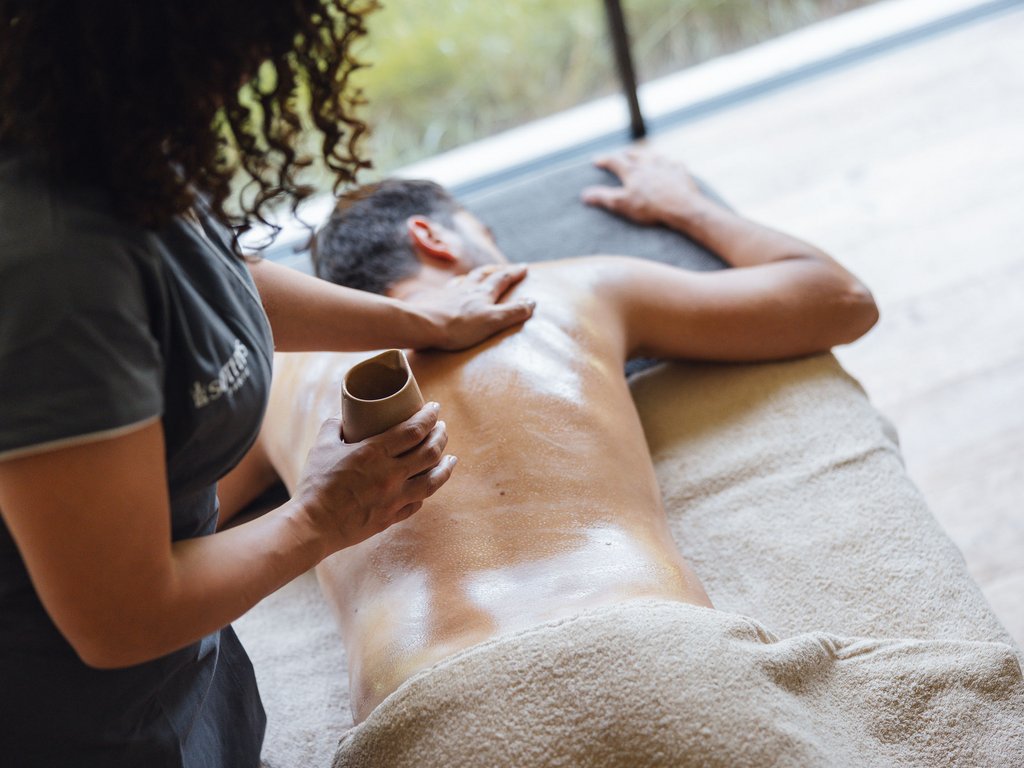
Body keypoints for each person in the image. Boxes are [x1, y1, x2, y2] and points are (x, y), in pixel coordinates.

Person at [0, 3, 534, 766]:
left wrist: (416, 322)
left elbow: (206, 281)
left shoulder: (93, 118)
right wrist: (324, 514)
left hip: (182, 678)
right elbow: (118, 617)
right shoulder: (50, 269)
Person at [218, 148, 880, 723]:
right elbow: (840, 298)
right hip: (649, 645)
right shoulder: (558, 286)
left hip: (428, 700)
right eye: (488, 234)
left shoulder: (282, 378)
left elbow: (164, 531)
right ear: (434, 237)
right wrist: (684, 207)